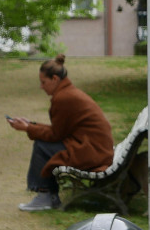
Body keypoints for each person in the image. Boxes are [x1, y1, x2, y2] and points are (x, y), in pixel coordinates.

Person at [8, 55, 114, 211]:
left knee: (42, 146)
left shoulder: (63, 98)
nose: (41, 87)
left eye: (43, 82)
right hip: (95, 148)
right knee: (45, 144)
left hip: (92, 152)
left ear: (55, 79)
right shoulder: (68, 93)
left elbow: (55, 135)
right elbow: (59, 132)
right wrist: (30, 125)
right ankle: (49, 196)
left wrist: (28, 128)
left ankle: (45, 196)